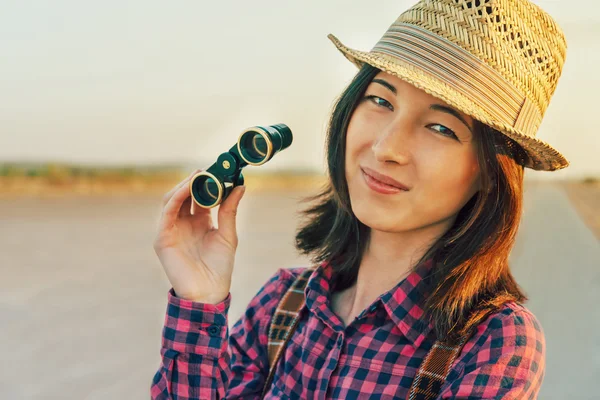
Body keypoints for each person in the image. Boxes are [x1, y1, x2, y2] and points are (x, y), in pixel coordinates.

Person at [151, 0, 569, 398]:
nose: (387, 147)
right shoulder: (282, 304)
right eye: (381, 100)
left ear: (491, 174)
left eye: (441, 128)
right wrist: (200, 300)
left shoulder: (495, 343)